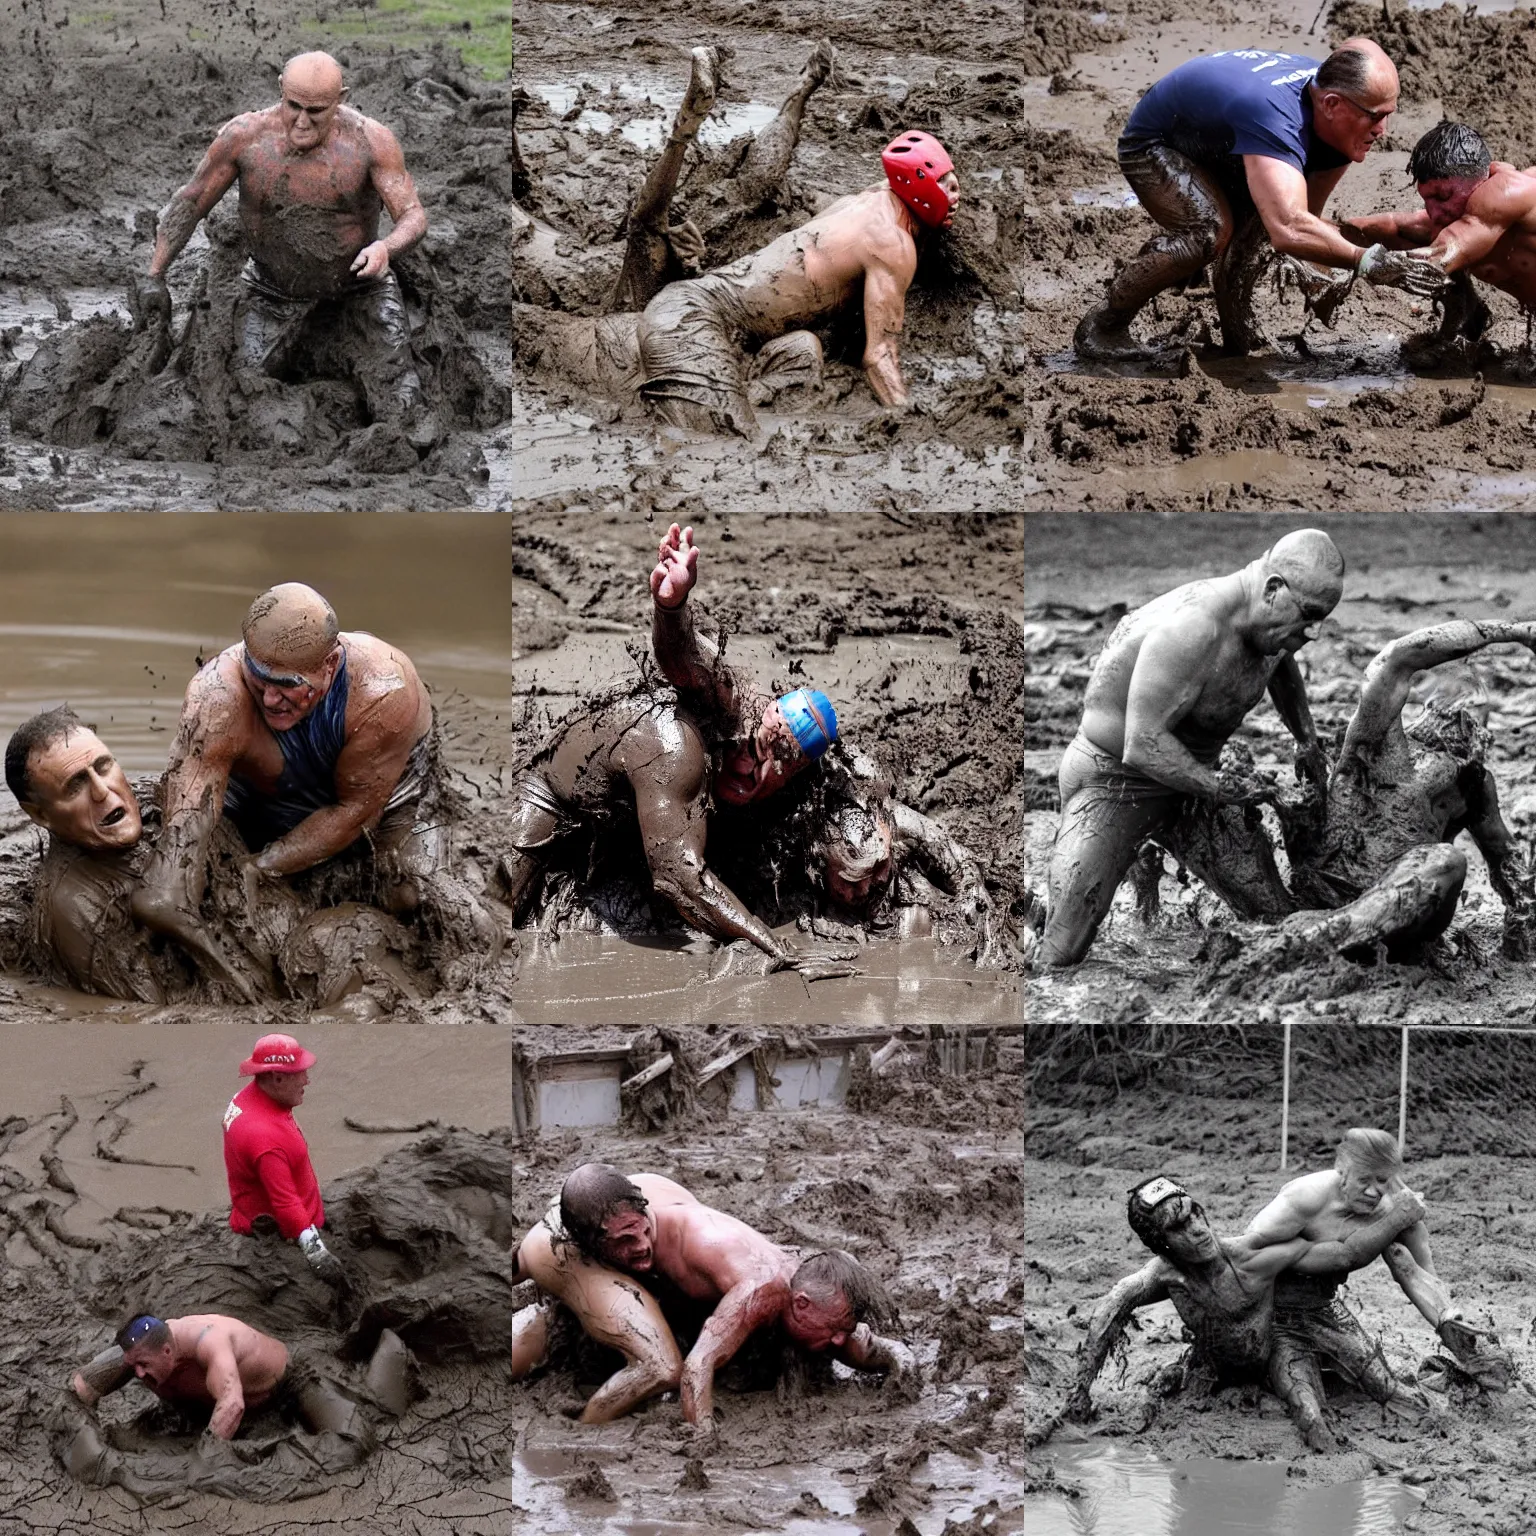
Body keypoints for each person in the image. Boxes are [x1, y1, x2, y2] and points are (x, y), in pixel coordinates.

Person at [502, 532, 851, 974]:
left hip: (640, 813)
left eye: (772, 766)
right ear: (754, 721)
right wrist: (671, 608)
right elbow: (679, 881)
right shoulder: (681, 745)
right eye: (753, 745)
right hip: (557, 795)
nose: (747, 764)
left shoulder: (774, 736)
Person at [1037, 529, 1343, 968]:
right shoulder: (1194, 630)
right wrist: (1221, 788)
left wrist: (1306, 738)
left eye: (1323, 618)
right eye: (1310, 615)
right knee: (1062, 950)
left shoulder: (1273, 628)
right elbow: (1141, 745)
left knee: (1275, 920)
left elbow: (1281, 664)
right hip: (1117, 784)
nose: (1314, 633)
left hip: (1196, 784)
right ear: (1274, 589)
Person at [517, 130, 959, 434]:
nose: (956, 194)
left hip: (730, 331)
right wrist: (908, 419)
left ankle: (722, 387)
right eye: (947, 184)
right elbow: (879, 356)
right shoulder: (893, 242)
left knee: (805, 349)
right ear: (918, 187)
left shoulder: (861, 202)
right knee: (726, 441)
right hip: (692, 316)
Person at [130, 583, 437, 992]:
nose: (271, 699)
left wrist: (263, 866)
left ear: (330, 664)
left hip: (382, 794)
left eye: (287, 684)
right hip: (260, 793)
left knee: (411, 894)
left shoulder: (384, 692)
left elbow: (357, 810)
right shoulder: (216, 694)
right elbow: (189, 814)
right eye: (259, 679)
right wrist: (170, 886)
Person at [1073, 41, 1443, 361]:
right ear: (1331, 104)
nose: (1384, 132)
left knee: (1256, 236)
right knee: (1208, 232)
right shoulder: (1276, 117)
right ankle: (1104, 325)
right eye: (1376, 118)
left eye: (1388, 116)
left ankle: (1239, 341)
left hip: (1229, 141)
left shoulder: (1340, 115)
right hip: (1159, 143)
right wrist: (1365, 261)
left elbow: (1303, 223)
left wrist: (1323, 267)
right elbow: (1289, 228)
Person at [139, 51, 433, 442]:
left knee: (403, 406)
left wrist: (386, 249)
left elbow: (413, 215)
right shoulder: (245, 138)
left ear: (341, 99)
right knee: (237, 395)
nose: (301, 121)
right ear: (281, 89)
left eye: (316, 111)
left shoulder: (370, 141)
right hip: (271, 288)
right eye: (293, 106)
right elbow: (190, 202)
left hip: (360, 287)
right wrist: (155, 275)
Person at [510, 1165, 913, 1426]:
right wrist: (704, 1439)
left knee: (643, 1314)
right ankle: (583, 1429)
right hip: (561, 1243)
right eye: (628, 1241)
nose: (641, 1246)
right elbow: (693, 1369)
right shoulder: (758, 1289)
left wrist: (893, 1353)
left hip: (623, 1197)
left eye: (641, 1231)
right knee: (659, 1365)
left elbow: (833, 1325)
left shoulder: (791, 1274)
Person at [1232, 619, 1536, 961]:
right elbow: (1395, 659)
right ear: (1428, 712)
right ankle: (1310, 934)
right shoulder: (1379, 744)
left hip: (1403, 929)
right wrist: (1516, 631)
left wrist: (1522, 948)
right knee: (1224, 783)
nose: (1475, 731)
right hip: (1319, 895)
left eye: (1481, 724)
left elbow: (1508, 865)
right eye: (1461, 715)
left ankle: (1322, 937)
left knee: (1446, 860)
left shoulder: (1475, 783)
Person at [1065, 1171, 1432, 1450]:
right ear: (1161, 1244)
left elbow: (1346, 1254)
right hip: (1215, 1371)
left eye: (1195, 1214)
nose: (1197, 1229)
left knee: (1319, 1415)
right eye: (1179, 1226)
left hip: (1280, 1346)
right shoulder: (1164, 1276)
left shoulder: (1251, 1256)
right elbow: (1110, 1308)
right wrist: (1080, 1394)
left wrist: (1399, 1217)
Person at [511, 41, 838, 315]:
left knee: (718, 198)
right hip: (627, 277)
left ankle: (703, 119)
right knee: (749, 188)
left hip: (604, 269)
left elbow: (520, 183)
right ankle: (801, 88)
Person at [1243, 1129, 1508, 1447]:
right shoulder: (1306, 1197)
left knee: (1385, 1387)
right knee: (1307, 1406)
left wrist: (1445, 1313)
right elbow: (1248, 1253)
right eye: (1364, 1180)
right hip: (1276, 1314)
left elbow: (1412, 1267)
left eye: (1382, 1181)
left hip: (1326, 1310)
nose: (1373, 1191)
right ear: (1342, 1170)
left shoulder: (1394, 1207)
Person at [1337, 121, 1533, 355]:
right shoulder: (1458, 218)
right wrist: (1322, 235)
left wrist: (1366, 262)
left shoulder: (1506, 191)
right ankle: (1466, 310)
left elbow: (1440, 258)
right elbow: (1388, 226)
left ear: (1478, 179)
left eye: (1443, 196)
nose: (1434, 211)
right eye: (1427, 199)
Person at [69, 1314, 356, 1441]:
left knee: (351, 1440)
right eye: (133, 1366)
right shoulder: (137, 1353)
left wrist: (202, 1461)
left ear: (167, 1350)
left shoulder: (209, 1339)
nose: (138, 1374)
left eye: (143, 1365)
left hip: (288, 1382)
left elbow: (232, 1406)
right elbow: (82, 1387)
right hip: (201, 1406)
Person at [222, 1033, 344, 1285]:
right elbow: (285, 1202)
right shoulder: (265, 1138)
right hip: (280, 1234)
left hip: (249, 1211)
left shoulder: (244, 1099)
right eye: (300, 1073)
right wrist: (316, 1252)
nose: (307, 1080)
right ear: (277, 1078)